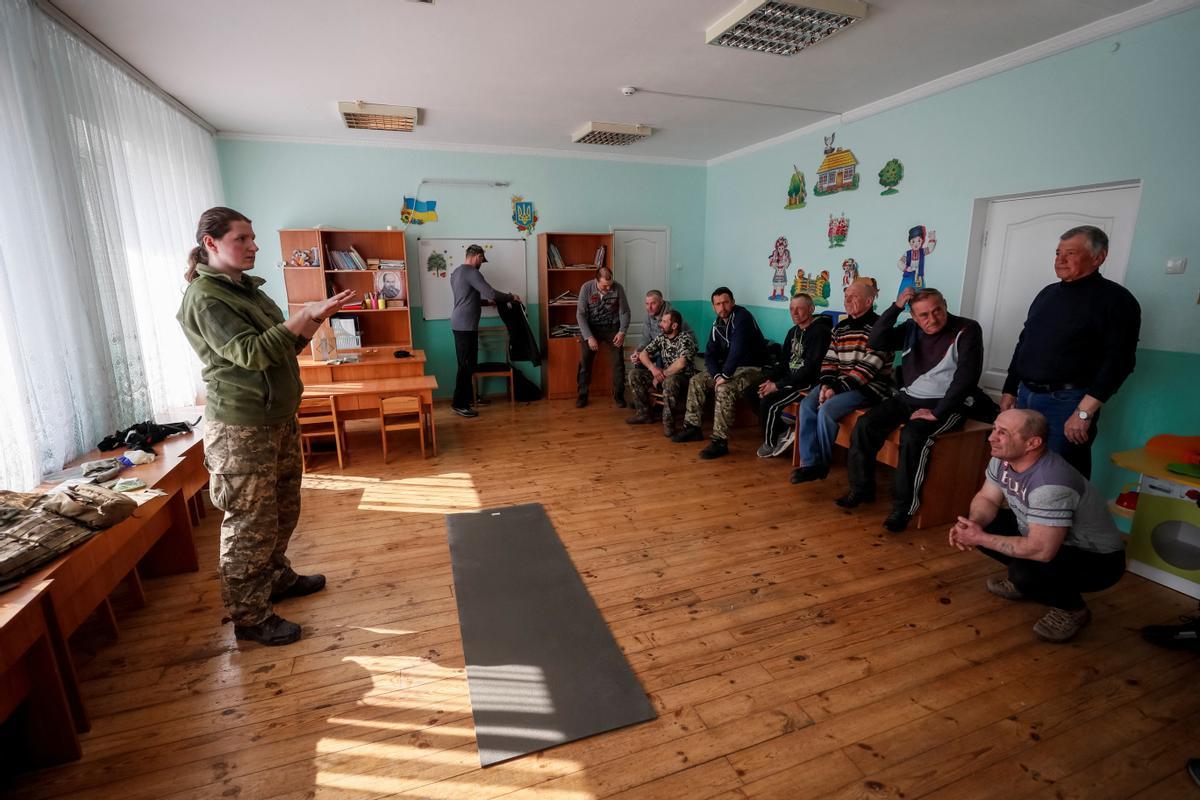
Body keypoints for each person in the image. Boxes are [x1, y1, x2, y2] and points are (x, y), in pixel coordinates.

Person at [177, 207, 356, 646]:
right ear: (211, 244)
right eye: (243, 239)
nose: (254, 246)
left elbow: (282, 349)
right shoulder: (205, 297)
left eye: (253, 238)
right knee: (248, 524)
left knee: (282, 509)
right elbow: (252, 354)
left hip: (276, 420)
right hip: (242, 429)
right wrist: (301, 317)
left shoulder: (249, 292)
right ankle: (250, 616)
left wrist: (311, 321)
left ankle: (276, 578)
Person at [949, 409, 1126, 643]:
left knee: (1025, 573)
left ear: (1032, 443)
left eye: (1002, 433)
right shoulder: (1002, 459)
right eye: (994, 429)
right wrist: (974, 526)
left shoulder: (1051, 483)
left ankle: (1073, 609)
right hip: (1048, 539)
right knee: (979, 522)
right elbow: (987, 499)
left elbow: (1042, 550)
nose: (992, 437)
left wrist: (979, 538)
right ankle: (1031, 582)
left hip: (1098, 560)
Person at [1000, 225, 1141, 478]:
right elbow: (1025, 342)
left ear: (1098, 257)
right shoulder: (1047, 294)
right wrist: (1010, 388)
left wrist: (1084, 412)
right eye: (1058, 253)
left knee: (1060, 477)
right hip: (1026, 396)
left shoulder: (1117, 300)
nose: (1060, 260)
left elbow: (1119, 362)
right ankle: (1022, 519)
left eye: (1071, 253)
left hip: (1068, 403)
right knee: (1018, 469)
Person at [840, 287, 984, 532]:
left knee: (913, 436)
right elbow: (876, 340)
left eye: (937, 310)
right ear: (914, 317)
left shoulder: (967, 329)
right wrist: (896, 307)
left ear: (945, 304)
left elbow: (966, 379)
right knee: (866, 424)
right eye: (924, 315)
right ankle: (861, 489)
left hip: (948, 404)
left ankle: (903, 507)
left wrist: (938, 412)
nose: (932, 319)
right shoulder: (911, 329)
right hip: (909, 398)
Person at [791, 278, 892, 484]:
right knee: (807, 405)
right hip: (840, 384)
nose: (847, 300)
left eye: (853, 297)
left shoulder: (881, 328)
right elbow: (829, 361)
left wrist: (834, 389)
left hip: (869, 387)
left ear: (869, 301)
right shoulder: (840, 328)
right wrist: (827, 384)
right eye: (846, 296)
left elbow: (868, 369)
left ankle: (822, 464)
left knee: (827, 409)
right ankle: (809, 463)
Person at [673, 287, 767, 459]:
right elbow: (710, 354)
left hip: (752, 369)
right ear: (713, 307)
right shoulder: (717, 324)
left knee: (724, 389)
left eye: (725, 303)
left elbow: (737, 350)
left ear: (732, 302)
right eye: (718, 304)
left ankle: (719, 442)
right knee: (697, 380)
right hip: (729, 369)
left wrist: (724, 376)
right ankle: (692, 428)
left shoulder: (742, 318)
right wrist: (717, 375)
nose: (722, 307)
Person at [747, 293, 832, 458]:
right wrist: (771, 380)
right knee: (752, 390)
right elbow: (784, 363)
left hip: (808, 383)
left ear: (811, 309)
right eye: (791, 308)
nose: (795, 312)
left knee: (769, 402)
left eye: (799, 308)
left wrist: (778, 385)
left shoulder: (821, 332)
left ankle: (771, 442)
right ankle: (782, 431)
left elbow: (809, 368)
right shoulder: (793, 331)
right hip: (790, 378)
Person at [450, 244, 519, 418]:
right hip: (465, 326)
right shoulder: (472, 272)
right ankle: (459, 404)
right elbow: (490, 292)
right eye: (482, 259)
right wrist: (511, 296)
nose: (482, 263)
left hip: (461, 324)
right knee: (465, 366)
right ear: (478, 256)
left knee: (468, 364)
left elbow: (468, 299)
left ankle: (469, 397)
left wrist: (487, 303)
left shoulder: (457, 272)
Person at [625, 309, 698, 436]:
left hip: (683, 378)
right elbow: (643, 354)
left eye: (664, 322)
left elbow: (681, 363)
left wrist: (662, 374)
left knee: (670, 381)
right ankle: (644, 414)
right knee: (634, 374)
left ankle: (668, 424)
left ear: (674, 326)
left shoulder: (685, 339)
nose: (661, 324)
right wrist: (654, 370)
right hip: (664, 375)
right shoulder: (662, 337)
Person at [575, 266, 630, 408]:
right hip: (591, 328)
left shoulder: (618, 288)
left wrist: (622, 331)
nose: (607, 289)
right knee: (585, 361)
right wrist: (588, 336)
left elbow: (624, 312)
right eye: (604, 286)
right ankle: (582, 395)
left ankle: (619, 395)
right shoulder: (586, 288)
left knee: (618, 362)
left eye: (610, 285)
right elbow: (580, 314)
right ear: (596, 281)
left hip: (612, 328)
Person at [629, 289, 692, 371]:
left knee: (660, 359)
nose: (649, 307)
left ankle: (658, 381)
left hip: (673, 352)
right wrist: (638, 352)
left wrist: (650, 353)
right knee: (639, 361)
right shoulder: (648, 317)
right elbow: (645, 338)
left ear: (661, 302)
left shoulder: (672, 316)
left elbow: (678, 342)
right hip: (656, 349)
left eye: (653, 303)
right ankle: (646, 381)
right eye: (647, 304)